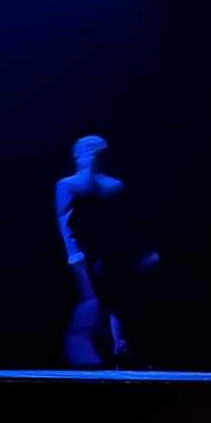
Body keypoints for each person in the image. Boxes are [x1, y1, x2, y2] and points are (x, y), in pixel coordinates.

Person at [56, 135, 159, 367]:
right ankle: (94, 349)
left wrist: (140, 251)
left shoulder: (114, 185)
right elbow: (65, 219)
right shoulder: (69, 185)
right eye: (89, 152)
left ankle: (120, 347)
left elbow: (127, 223)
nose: (93, 157)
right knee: (98, 299)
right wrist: (73, 251)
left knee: (116, 299)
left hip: (113, 251)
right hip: (87, 252)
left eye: (97, 153)